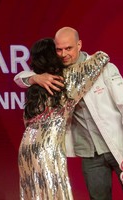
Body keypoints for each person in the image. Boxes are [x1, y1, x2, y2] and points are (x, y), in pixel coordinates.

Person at [15, 27, 123, 200]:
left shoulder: (102, 67)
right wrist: (35, 78)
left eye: (68, 48)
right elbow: (19, 78)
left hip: (118, 143)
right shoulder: (57, 74)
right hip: (89, 153)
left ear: (79, 45)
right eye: (59, 49)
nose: (63, 54)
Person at [17, 37, 109, 199]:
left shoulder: (36, 84)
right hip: (48, 146)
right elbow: (102, 58)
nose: (63, 54)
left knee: (35, 193)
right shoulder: (67, 78)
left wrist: (34, 77)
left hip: (26, 146)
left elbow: (19, 78)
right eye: (58, 51)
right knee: (54, 191)